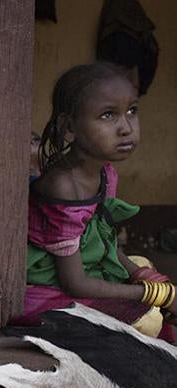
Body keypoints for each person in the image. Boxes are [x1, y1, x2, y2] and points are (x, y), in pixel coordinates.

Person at [21, 62, 175, 341]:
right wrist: (155, 294)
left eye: (132, 111)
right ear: (69, 128)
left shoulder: (105, 172)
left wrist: (144, 277)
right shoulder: (63, 185)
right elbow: (74, 282)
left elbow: (101, 241)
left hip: (84, 269)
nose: (126, 127)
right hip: (46, 289)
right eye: (108, 115)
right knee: (148, 319)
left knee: (144, 265)